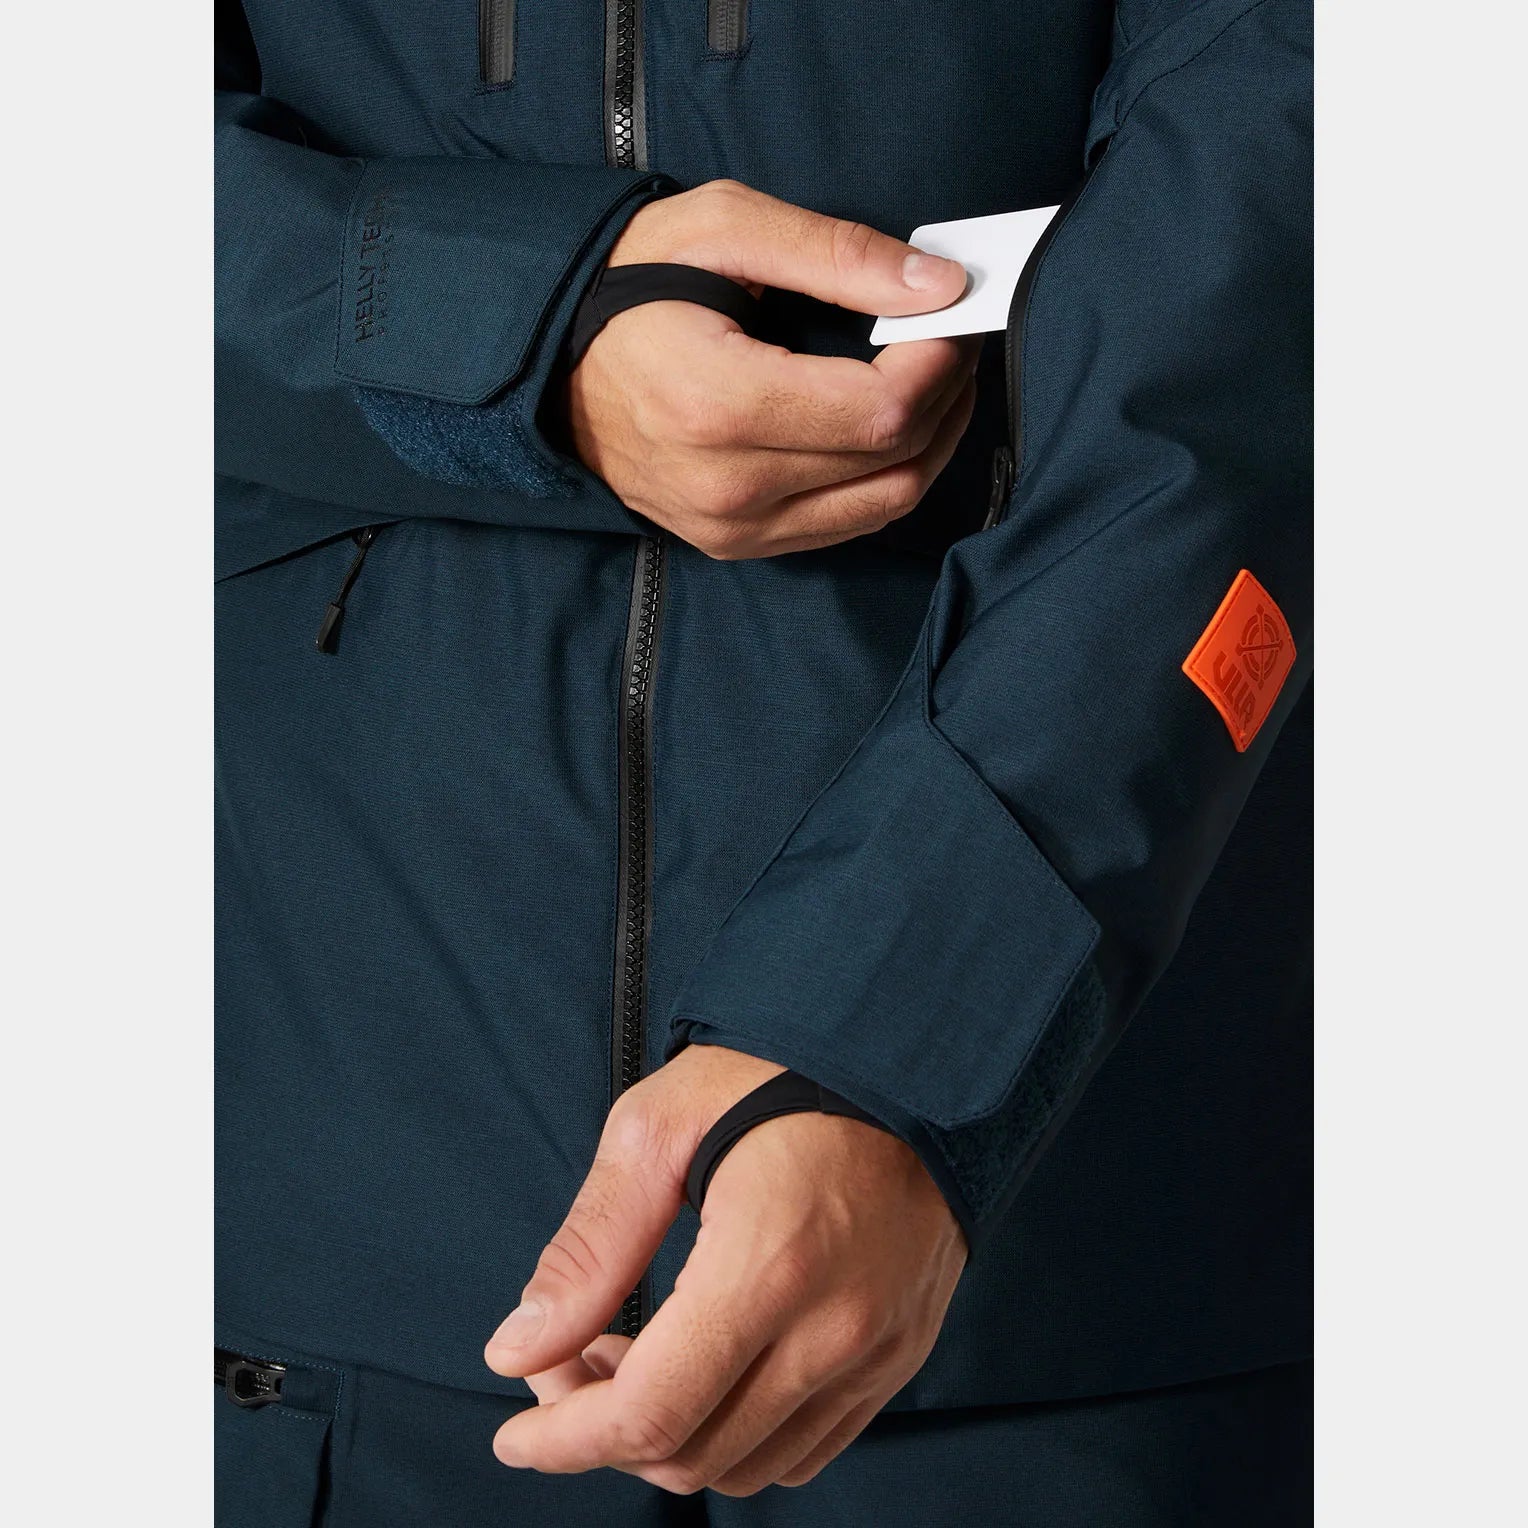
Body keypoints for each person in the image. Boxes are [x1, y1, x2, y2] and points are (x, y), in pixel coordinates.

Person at [215, 0, 1312, 1521]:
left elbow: (1269, 278)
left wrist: (902, 1035)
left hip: (1085, 1277)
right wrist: (517, 330)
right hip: (321, 1261)